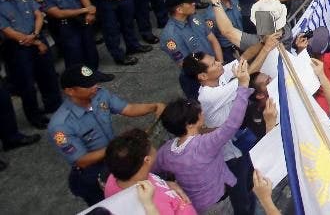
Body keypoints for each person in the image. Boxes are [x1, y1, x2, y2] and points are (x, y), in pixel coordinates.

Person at [48, 65, 164, 205]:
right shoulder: (60, 126)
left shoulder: (100, 95)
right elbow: (81, 160)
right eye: (88, 85)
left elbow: (128, 108)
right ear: (70, 91)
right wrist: (120, 146)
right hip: (93, 172)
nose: (94, 86)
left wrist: (154, 107)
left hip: (116, 158)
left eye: (94, 82)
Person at [154, 79, 256, 213]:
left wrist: (168, 184)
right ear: (190, 124)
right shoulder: (203, 145)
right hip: (218, 203)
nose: (202, 111)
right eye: (199, 111)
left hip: (196, 206)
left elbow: (154, 171)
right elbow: (232, 124)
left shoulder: (166, 150)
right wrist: (242, 87)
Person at [32, 0, 114, 81]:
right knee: (73, 54)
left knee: (90, 48)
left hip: (82, 19)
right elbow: (57, 13)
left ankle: (93, 74)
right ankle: (78, 80)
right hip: (65, 25)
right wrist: (86, 10)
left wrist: (90, 13)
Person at [0, 0, 61, 129]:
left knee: (47, 74)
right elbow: (8, 31)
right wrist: (34, 41)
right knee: (26, 84)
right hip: (16, 48)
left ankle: (54, 104)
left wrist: (35, 35)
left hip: (35, 36)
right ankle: (35, 116)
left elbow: (38, 14)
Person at [104, 128, 197, 214]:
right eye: (151, 146)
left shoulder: (117, 175)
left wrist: (167, 184)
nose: (153, 147)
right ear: (147, 160)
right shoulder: (152, 206)